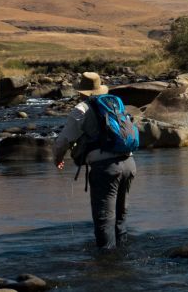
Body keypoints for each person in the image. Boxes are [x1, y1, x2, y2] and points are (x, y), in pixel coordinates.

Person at [53, 72, 137, 250]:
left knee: (104, 219)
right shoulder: (115, 104)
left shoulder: (81, 109)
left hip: (105, 169)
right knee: (120, 218)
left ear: (81, 92)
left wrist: (58, 158)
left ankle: (106, 266)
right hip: (129, 163)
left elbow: (63, 141)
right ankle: (123, 256)